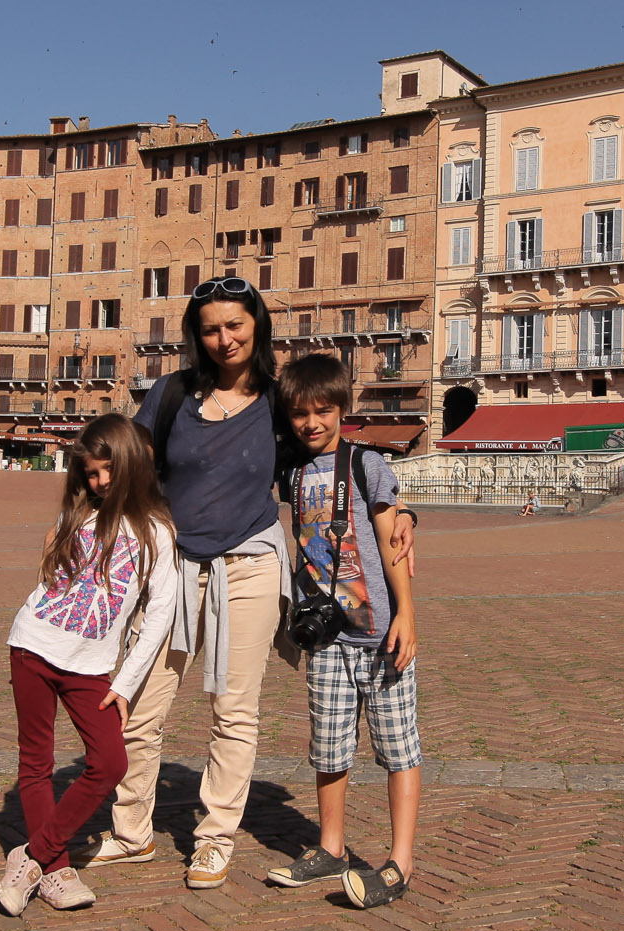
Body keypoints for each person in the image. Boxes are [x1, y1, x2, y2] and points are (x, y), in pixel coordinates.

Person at [85, 276, 413, 890]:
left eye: (235, 324)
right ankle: (131, 833)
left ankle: (214, 838)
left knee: (234, 711)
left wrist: (401, 515)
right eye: (211, 328)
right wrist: (86, 498)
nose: (224, 338)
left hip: (251, 566)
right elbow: (124, 458)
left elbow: (330, 455)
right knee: (140, 702)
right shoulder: (172, 394)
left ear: (256, 325)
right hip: (174, 568)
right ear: (196, 334)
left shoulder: (274, 400)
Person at [0, 414, 181, 917]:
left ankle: (32, 856)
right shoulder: (78, 512)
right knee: (36, 764)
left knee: (110, 762)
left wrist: (125, 683)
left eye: (106, 472)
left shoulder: (158, 532)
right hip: (33, 646)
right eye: (90, 474)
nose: (98, 483)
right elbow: (52, 575)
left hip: (91, 669)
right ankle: (56, 871)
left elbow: (161, 612)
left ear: (129, 465)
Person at [262, 355, 423, 908]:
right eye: (301, 413)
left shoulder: (366, 464)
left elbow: (391, 543)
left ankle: (401, 860)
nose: (312, 423)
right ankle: (331, 847)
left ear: (342, 409)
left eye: (323, 411)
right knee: (329, 750)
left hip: (380, 634)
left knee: (398, 749)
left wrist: (407, 614)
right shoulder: (291, 470)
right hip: (325, 639)